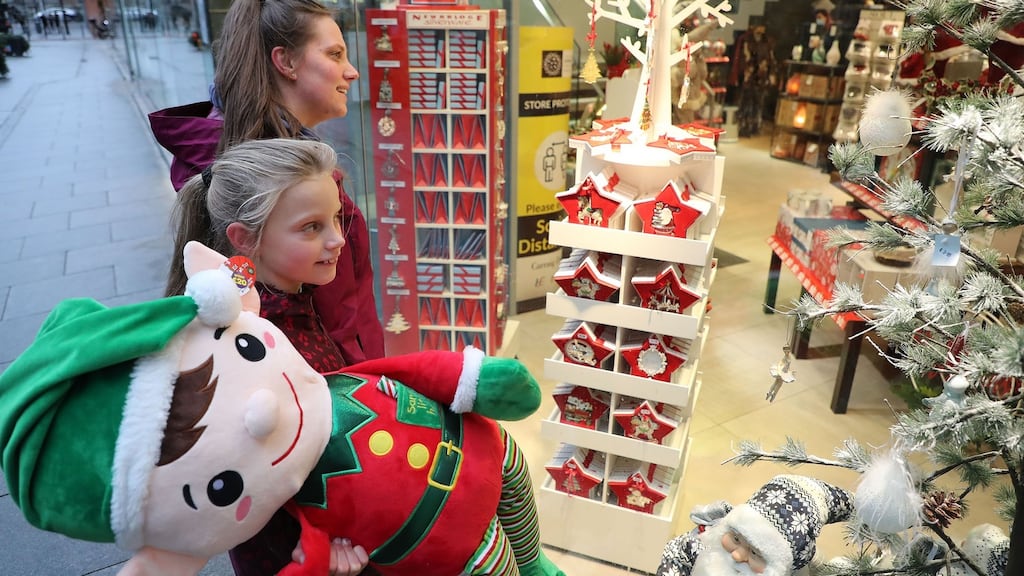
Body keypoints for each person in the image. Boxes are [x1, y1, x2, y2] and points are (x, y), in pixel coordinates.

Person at [169, 137, 371, 575]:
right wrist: (313, 540)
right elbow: (252, 466)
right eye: (312, 227)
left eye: (335, 217)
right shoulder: (254, 342)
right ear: (246, 240)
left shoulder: (286, 301)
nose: (338, 238)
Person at [149, 0, 384, 367]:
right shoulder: (278, 182)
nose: (351, 71)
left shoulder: (273, 167)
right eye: (335, 54)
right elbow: (332, 319)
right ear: (285, 62)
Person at [657, 475, 853, 576]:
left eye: (755, 553)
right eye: (735, 539)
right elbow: (678, 552)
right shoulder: (706, 544)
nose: (737, 555)